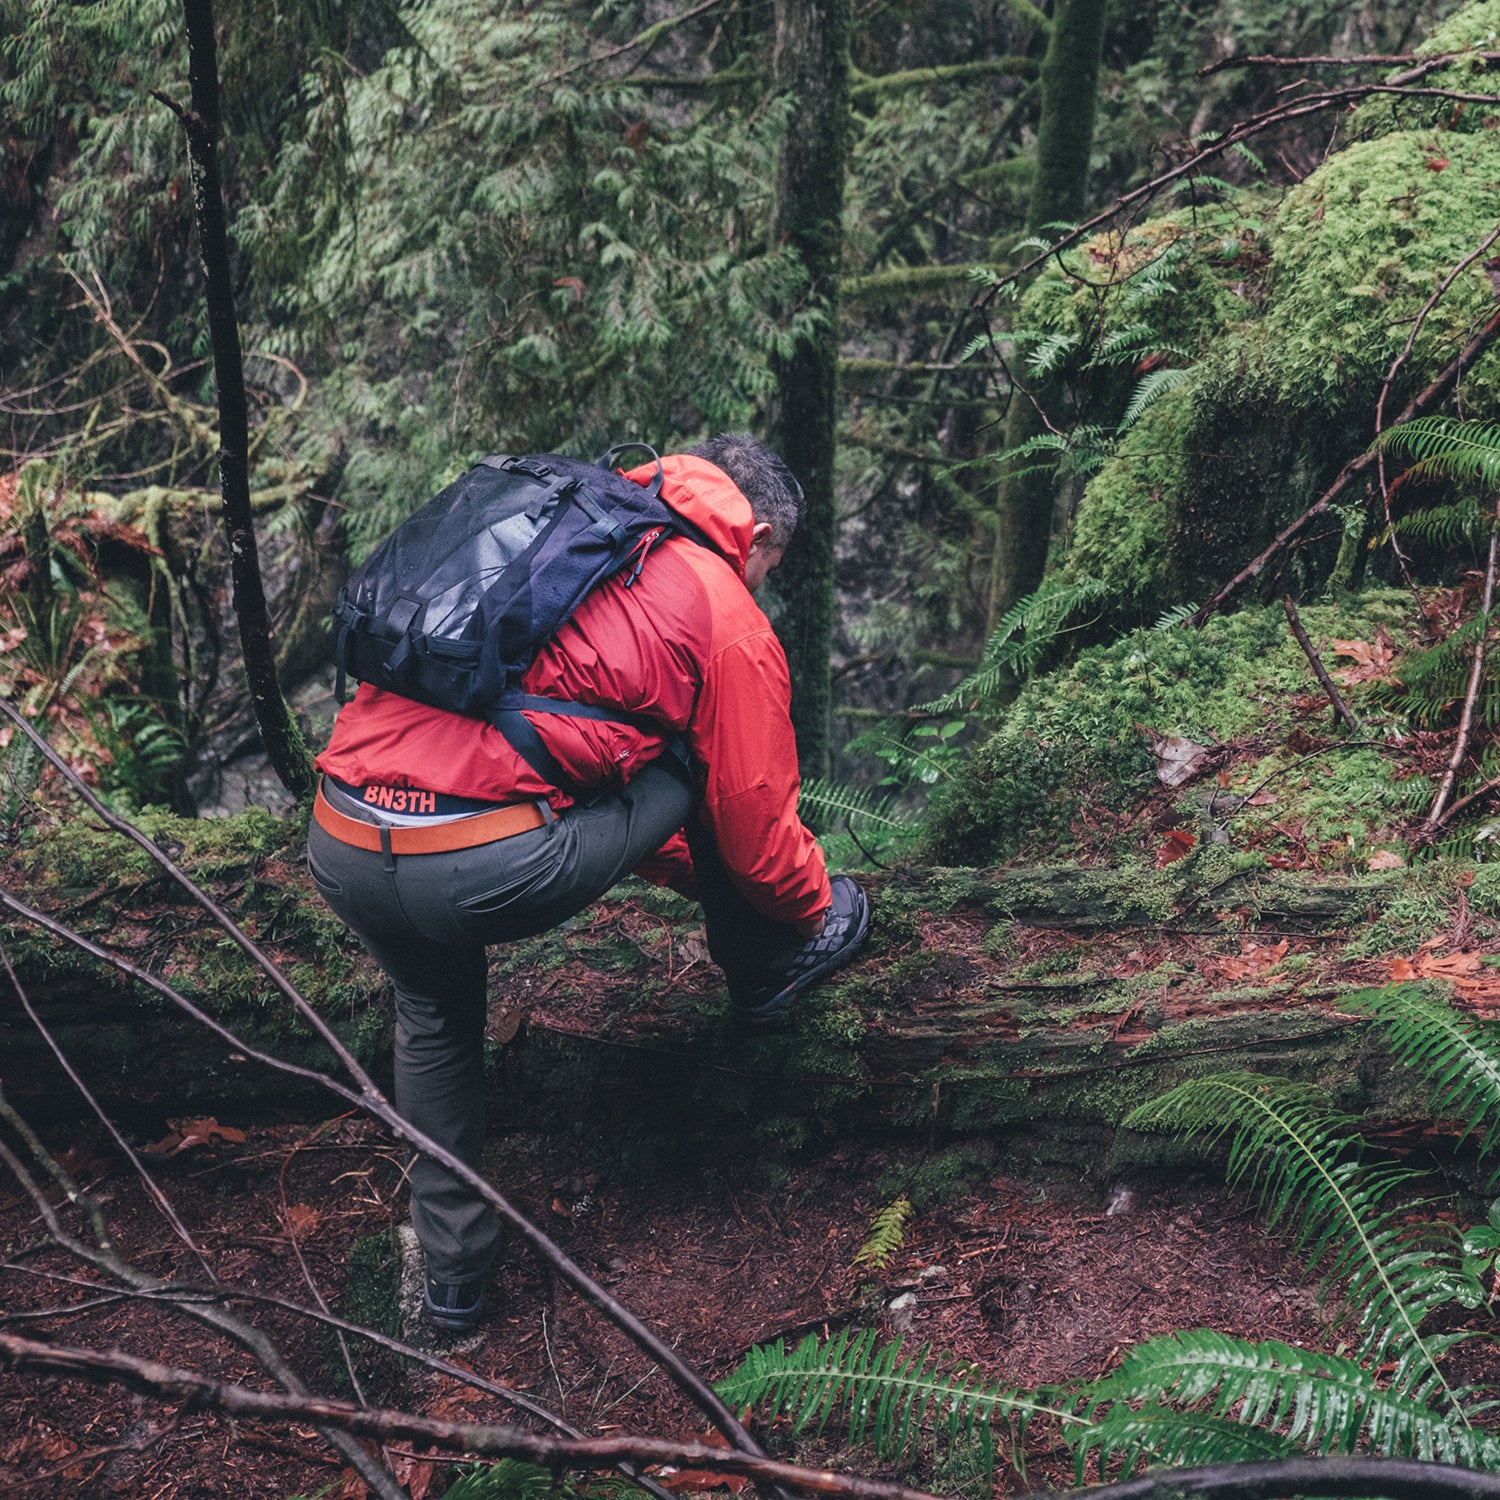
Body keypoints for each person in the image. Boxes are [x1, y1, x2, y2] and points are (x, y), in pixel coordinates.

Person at [307, 433, 871, 1332]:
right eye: (774, 563)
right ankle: (768, 966)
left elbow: (573, 769)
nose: (766, 580)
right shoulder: (721, 609)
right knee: (699, 759)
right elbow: (754, 830)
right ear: (757, 534)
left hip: (341, 832)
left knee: (434, 1012)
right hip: (480, 864)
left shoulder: (567, 530)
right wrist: (816, 908)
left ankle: (452, 1286)